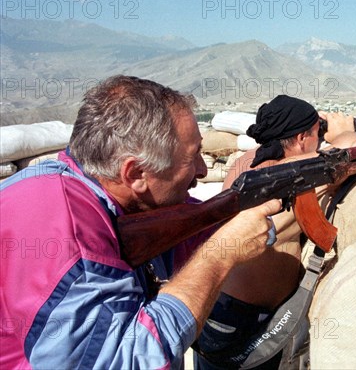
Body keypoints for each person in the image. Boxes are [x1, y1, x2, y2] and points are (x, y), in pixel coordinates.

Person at [0, 75, 280, 369]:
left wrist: (246, 222)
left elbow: (195, 226)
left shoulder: (99, 193)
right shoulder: (69, 238)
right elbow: (127, 360)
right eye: (192, 157)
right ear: (135, 174)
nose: (201, 169)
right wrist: (218, 256)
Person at [194, 95, 356, 369]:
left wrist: (316, 126)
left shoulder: (248, 161)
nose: (320, 139)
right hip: (246, 320)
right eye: (315, 134)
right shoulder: (290, 172)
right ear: (301, 139)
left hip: (226, 308)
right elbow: (348, 149)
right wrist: (342, 130)